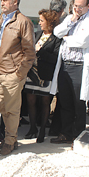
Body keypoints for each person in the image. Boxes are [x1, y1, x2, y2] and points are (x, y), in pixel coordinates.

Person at [49, 0, 89, 144]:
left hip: (79, 67)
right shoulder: (69, 18)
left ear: (88, 6)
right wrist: (71, 21)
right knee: (65, 101)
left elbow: (83, 41)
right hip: (65, 65)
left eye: (80, 7)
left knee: (78, 103)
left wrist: (67, 38)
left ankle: (78, 136)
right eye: (75, 6)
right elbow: (57, 33)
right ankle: (65, 133)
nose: (77, 9)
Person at [0, 0, 36, 156]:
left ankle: (10, 141)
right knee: (3, 107)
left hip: (13, 73)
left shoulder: (23, 22)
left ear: (15, 2)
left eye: (5, 0)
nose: (1, 3)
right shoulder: (2, 19)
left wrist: (19, 74)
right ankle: (11, 138)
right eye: (1, 0)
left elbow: (30, 52)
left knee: (12, 109)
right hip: (0, 72)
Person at [24, 9, 62, 143]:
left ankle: (42, 131)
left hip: (46, 75)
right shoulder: (36, 35)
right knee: (31, 101)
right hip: (31, 73)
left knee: (45, 102)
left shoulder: (57, 38)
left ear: (49, 22)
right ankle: (32, 127)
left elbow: (56, 58)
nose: (39, 23)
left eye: (41, 20)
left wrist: (41, 52)